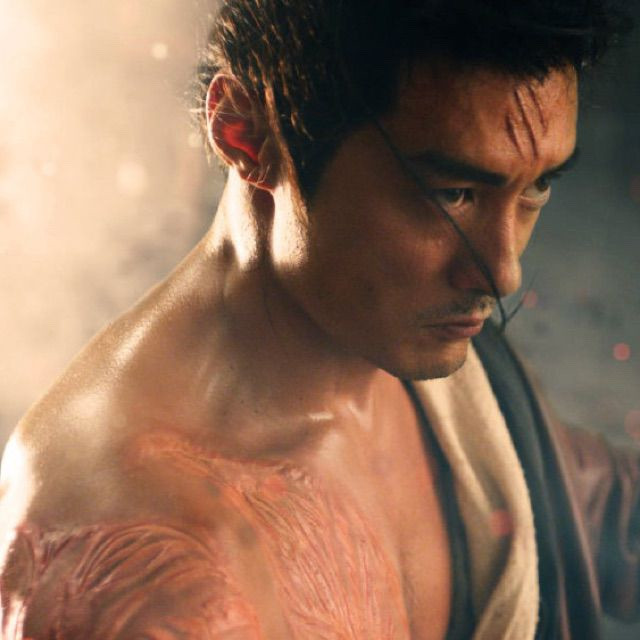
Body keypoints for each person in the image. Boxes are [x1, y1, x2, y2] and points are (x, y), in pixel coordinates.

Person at [0, 1, 635, 638]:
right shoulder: (148, 573)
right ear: (246, 134)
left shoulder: (457, 385)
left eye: (536, 188)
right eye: (453, 194)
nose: (502, 274)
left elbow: (597, 508)